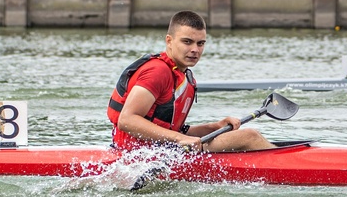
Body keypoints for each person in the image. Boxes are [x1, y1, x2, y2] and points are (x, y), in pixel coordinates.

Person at [108, 10, 275, 152]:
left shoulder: (185, 77)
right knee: (249, 136)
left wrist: (214, 127)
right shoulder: (157, 71)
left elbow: (176, 131)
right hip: (136, 157)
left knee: (249, 136)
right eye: (187, 42)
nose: (195, 50)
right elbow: (127, 120)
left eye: (200, 43)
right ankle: (287, 165)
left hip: (163, 151)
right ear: (169, 41)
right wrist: (179, 138)